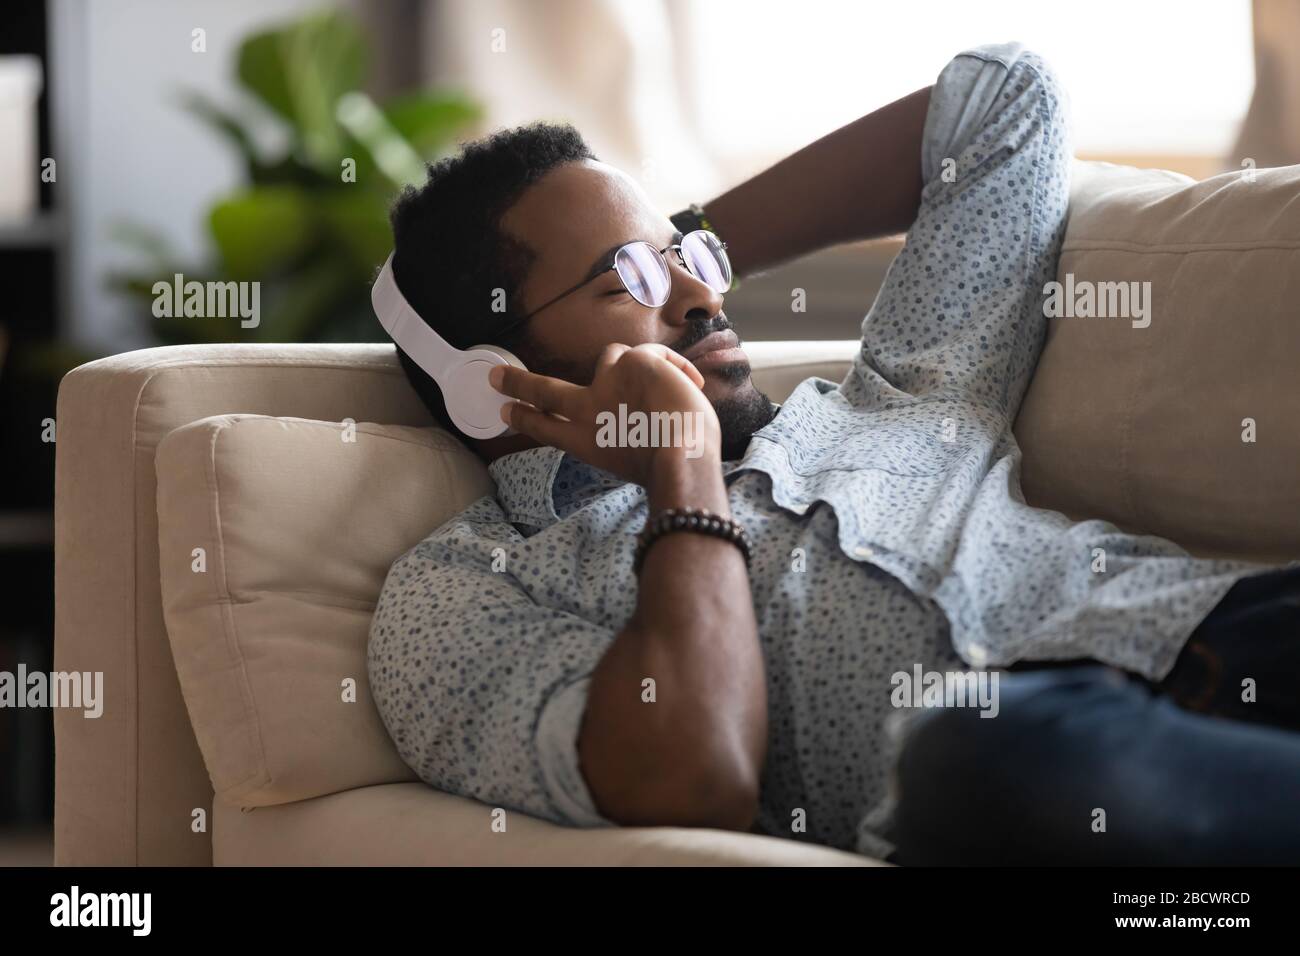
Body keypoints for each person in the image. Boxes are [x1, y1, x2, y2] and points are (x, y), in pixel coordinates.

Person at [366, 41, 1300, 864]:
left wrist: (692, 236)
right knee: (990, 751)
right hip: (1025, 763)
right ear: (491, 381)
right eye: (631, 279)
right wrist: (679, 467)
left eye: (690, 253)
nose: (703, 294)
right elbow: (692, 784)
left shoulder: (902, 387)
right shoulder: (462, 593)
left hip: (1223, 627)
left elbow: (1003, 95)